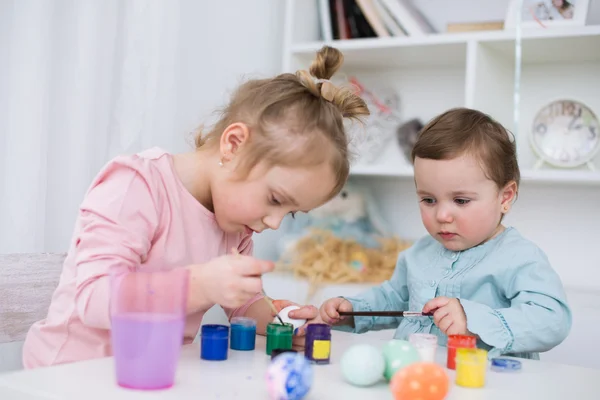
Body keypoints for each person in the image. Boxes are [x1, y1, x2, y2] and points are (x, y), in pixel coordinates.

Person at [22, 45, 370, 368]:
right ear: (234, 144)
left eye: (291, 212)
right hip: (71, 373)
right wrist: (197, 286)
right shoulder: (138, 185)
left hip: (156, 374)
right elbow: (94, 299)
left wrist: (284, 322)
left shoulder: (235, 225)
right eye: (275, 200)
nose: (275, 223)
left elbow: (244, 304)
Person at [316, 108, 572, 359]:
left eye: (460, 201)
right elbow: (394, 299)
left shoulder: (519, 257)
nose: (442, 215)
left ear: (505, 197)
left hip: (485, 385)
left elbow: (552, 318)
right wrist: (353, 310)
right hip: (415, 377)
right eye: (429, 199)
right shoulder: (419, 253)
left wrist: (473, 319)